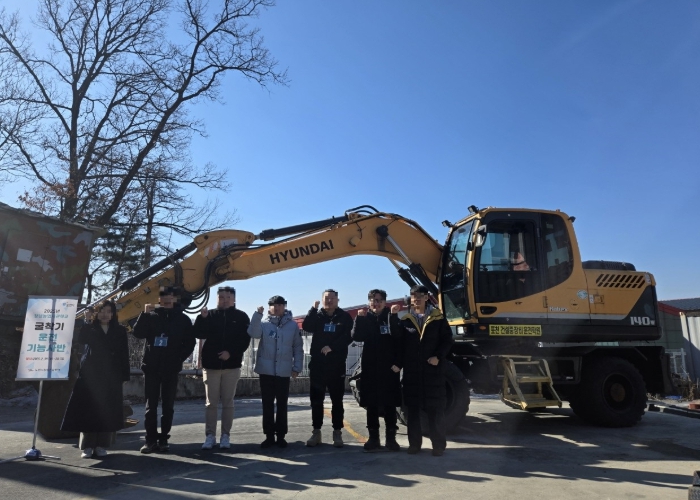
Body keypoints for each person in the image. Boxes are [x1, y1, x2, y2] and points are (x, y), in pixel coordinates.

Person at [390, 285, 453, 456]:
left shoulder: (438, 318)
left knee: (435, 410)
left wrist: (438, 356)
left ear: (426, 298)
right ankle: (414, 445)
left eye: (419, 296)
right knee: (413, 411)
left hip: (433, 372)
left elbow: (447, 340)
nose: (416, 299)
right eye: (413, 296)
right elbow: (399, 343)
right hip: (412, 373)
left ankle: (438, 446)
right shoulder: (406, 320)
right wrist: (393, 317)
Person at [61, 300, 130, 458]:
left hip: (111, 376)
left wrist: (124, 376)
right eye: (102, 311)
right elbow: (81, 340)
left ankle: (102, 445)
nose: (105, 314)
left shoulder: (120, 330)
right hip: (90, 376)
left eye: (109, 311)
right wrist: (86, 321)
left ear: (113, 314)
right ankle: (87, 446)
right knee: (88, 410)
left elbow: (124, 354)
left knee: (107, 411)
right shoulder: (90, 328)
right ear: (96, 313)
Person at [132, 286, 196, 454]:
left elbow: (190, 343)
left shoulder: (183, 319)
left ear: (176, 299)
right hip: (151, 367)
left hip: (171, 369)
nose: (167, 299)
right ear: (159, 299)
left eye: (171, 296)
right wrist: (144, 314)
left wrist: (178, 359)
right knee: (150, 407)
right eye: (163, 296)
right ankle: (150, 440)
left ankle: (164, 439)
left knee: (168, 406)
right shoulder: (151, 316)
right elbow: (137, 333)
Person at [193, 286, 251, 450]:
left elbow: (244, 341)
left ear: (234, 299)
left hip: (231, 366)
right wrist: (202, 318)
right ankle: (210, 436)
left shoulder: (241, 316)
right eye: (221, 297)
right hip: (211, 366)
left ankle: (226, 435)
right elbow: (199, 334)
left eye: (228, 297)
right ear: (217, 299)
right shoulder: (209, 315)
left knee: (228, 403)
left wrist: (230, 353)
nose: (224, 300)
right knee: (210, 403)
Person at [247, 295, 303, 449]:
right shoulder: (263, 323)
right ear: (269, 307)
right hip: (266, 371)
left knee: (282, 405)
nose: (276, 307)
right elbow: (253, 333)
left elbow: (298, 347)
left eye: (279, 305)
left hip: (284, 372)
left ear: (284, 306)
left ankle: (281, 436)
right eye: (273, 305)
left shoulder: (292, 326)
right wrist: (257, 315)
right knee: (267, 405)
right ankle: (269, 436)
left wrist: (297, 367)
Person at [352, 289, 402, 452]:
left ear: (385, 302)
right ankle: (373, 438)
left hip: (389, 369)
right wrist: (358, 319)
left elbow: (399, 337)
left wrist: (398, 363)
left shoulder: (390, 316)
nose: (376, 303)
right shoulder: (365, 318)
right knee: (371, 405)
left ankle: (391, 439)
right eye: (373, 300)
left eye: (379, 300)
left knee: (389, 405)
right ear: (369, 302)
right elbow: (356, 336)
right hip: (370, 369)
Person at [302, 288, 353, 448]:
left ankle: (337, 432)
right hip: (318, 365)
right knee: (316, 401)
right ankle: (316, 432)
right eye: (326, 298)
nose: (329, 301)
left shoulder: (344, 317)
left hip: (336, 365)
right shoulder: (317, 315)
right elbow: (307, 326)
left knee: (337, 401)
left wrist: (332, 347)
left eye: (332, 298)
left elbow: (348, 336)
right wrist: (313, 309)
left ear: (337, 300)